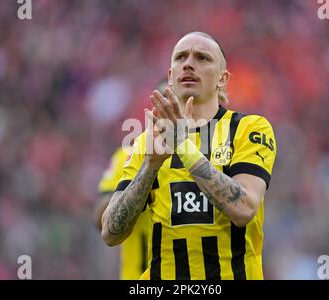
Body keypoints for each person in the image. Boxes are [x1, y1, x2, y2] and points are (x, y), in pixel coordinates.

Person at [101, 32, 277, 280]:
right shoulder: (146, 142)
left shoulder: (249, 129)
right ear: (171, 76)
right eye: (181, 57)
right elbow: (110, 232)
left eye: (202, 58)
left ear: (222, 79)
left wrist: (182, 146)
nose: (189, 63)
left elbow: (244, 208)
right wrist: (150, 167)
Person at [95, 80, 168, 280]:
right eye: (160, 104)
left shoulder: (199, 159)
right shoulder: (128, 155)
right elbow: (101, 221)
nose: (166, 110)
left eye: (171, 102)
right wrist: (140, 181)